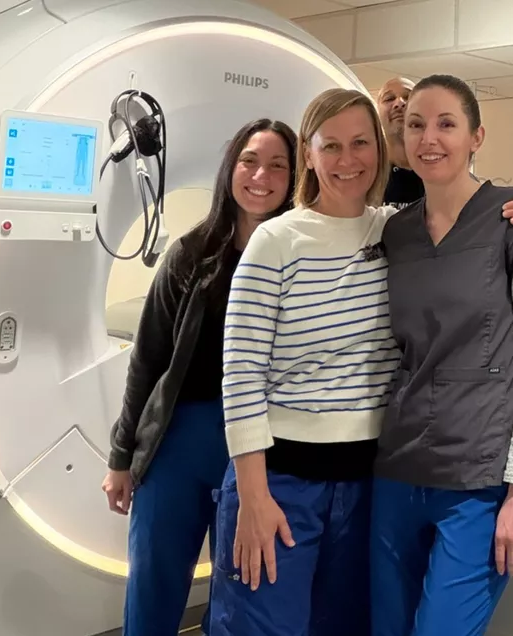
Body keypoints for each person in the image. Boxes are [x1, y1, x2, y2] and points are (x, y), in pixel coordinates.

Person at [208, 87, 513, 635]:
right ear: (309, 153)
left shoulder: (392, 228)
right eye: (331, 146)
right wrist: (252, 495)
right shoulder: (278, 240)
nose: (347, 160)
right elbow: (241, 371)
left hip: (366, 483)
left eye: (360, 143)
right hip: (283, 480)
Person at [371, 74, 513, 636]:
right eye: (416, 125)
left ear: (477, 136)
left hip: (479, 479)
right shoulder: (395, 232)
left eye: (447, 124)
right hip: (397, 470)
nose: (430, 138)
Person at [100, 118, 297, 636]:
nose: (261, 175)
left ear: (295, 178)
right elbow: (147, 362)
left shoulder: (301, 258)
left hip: (259, 445)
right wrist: (122, 458)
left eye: (279, 165)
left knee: (241, 591)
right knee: (154, 586)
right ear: (231, 167)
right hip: (180, 440)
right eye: (250, 160)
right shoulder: (189, 256)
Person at [376, 76, 424, 207]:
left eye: (408, 97)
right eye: (389, 99)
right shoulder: (367, 176)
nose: (399, 103)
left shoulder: (442, 174)